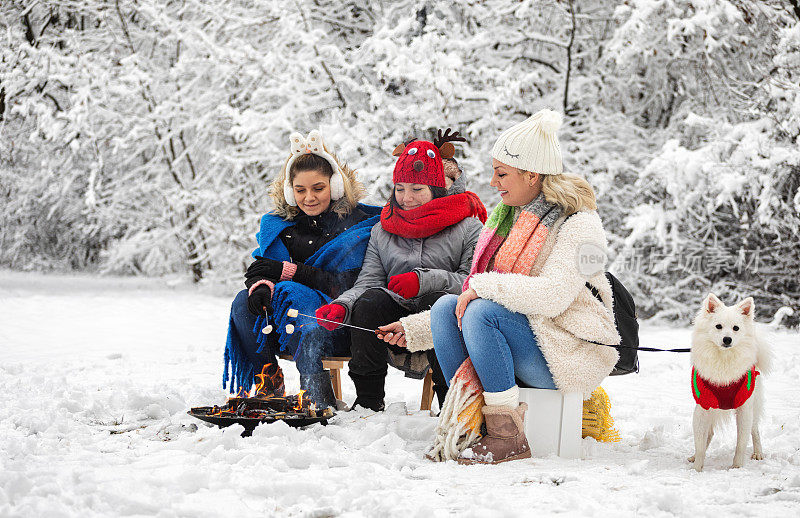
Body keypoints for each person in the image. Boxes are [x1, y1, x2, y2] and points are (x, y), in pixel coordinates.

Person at [428, 109, 621, 464]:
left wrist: (484, 288)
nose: (492, 181)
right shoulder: (505, 219)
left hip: (564, 351)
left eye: (502, 173)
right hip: (523, 338)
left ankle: (507, 434)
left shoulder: (581, 224)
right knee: (444, 308)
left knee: (483, 309)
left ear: (532, 174)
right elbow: (468, 297)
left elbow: (552, 296)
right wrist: (408, 330)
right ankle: (470, 421)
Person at [314, 130, 487, 412]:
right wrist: (342, 306)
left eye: (417, 189)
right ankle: (368, 402)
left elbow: (471, 284)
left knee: (440, 305)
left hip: (440, 313)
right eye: (400, 188)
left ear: (436, 190)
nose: (406, 198)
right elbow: (368, 282)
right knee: (368, 302)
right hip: (395, 309)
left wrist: (423, 281)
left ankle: (451, 406)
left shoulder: (469, 228)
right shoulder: (383, 230)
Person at [222, 130, 380, 408]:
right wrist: (262, 284)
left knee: (292, 292)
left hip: (336, 323)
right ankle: (268, 382)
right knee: (242, 302)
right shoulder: (281, 226)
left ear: (337, 186)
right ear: (289, 191)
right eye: (300, 190)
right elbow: (261, 269)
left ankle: (316, 391)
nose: (309, 197)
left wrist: (290, 272)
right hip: (285, 326)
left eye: (318, 188)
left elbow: (348, 285)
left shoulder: (359, 226)